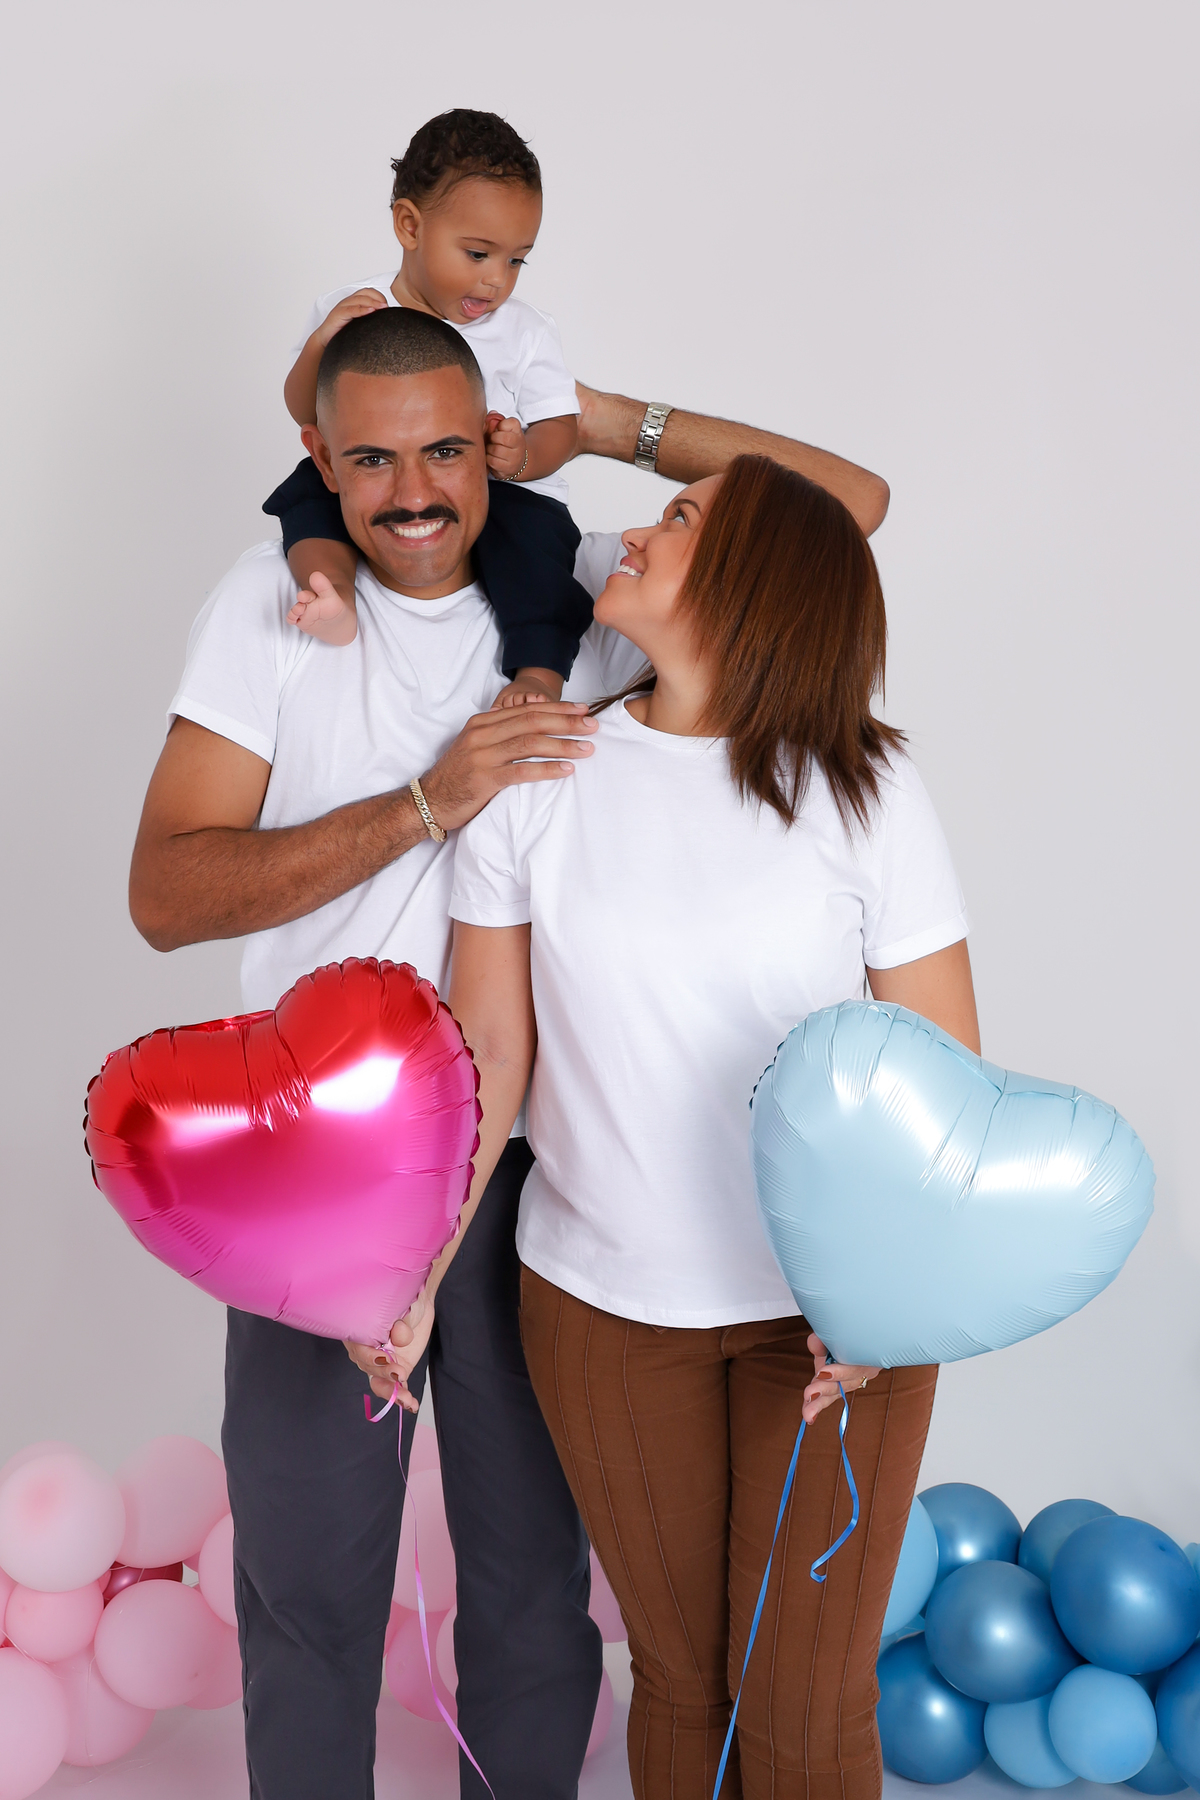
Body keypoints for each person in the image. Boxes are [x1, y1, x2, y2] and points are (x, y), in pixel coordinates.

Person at [128, 305, 889, 1800]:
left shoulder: (584, 579)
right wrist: (426, 802)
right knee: (308, 1579)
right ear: (315, 465)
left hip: (530, 1155)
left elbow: (845, 513)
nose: (413, 494)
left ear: (493, 443)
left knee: (535, 1585)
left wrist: (601, 422)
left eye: (446, 452)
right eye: (370, 461)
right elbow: (166, 892)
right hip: (315, 1159)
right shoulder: (269, 600)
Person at [440, 454, 978, 1799]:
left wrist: (885, 1306)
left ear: (750, 585)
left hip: (837, 1320)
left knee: (801, 1701)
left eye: (676, 520)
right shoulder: (541, 772)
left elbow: (943, 1072)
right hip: (606, 1310)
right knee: (682, 1680)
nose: (632, 528)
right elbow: (487, 1057)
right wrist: (415, 1267)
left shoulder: (868, 786)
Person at [269, 105, 594, 700]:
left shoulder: (525, 332)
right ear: (410, 226)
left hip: (508, 493)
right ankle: (331, 592)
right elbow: (302, 407)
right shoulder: (353, 309)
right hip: (381, 477)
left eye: (516, 259)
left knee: (538, 560)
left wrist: (521, 457)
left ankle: (539, 670)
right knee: (307, 499)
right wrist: (323, 342)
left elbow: (565, 428)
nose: (497, 280)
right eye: (478, 254)